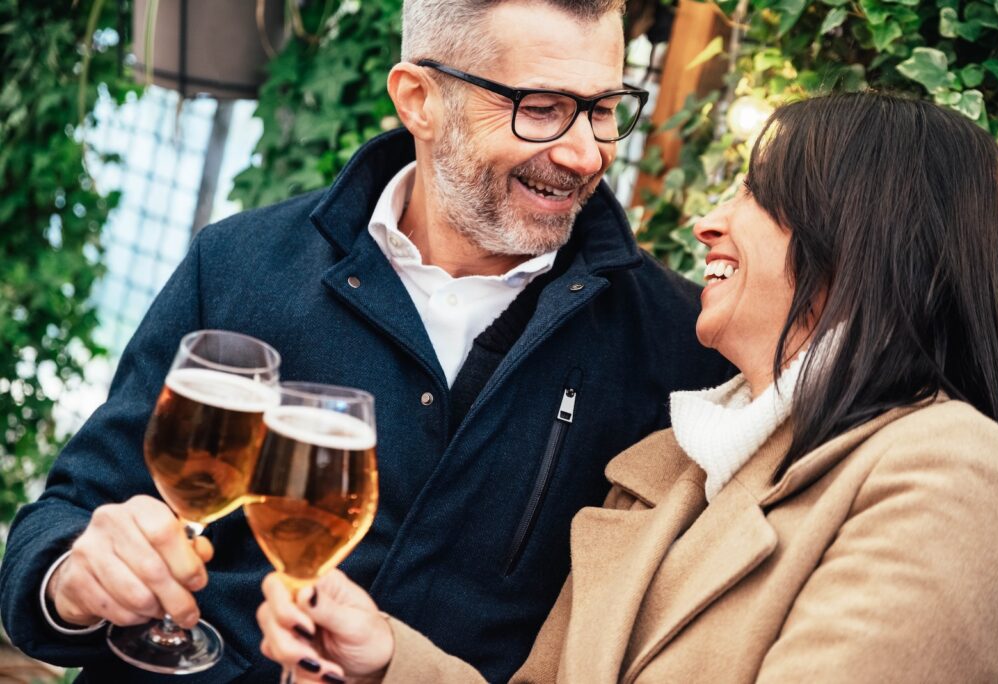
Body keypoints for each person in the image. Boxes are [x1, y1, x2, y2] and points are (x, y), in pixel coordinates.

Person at [0, 0, 733, 681]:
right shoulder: (237, 265)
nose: (586, 154)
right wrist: (71, 578)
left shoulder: (679, 345)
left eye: (604, 110)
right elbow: (65, 518)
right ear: (419, 99)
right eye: (539, 109)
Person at [255, 91, 998, 683]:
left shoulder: (947, 470)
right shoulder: (669, 466)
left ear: (861, 239)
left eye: (756, 195)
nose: (708, 224)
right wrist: (389, 659)